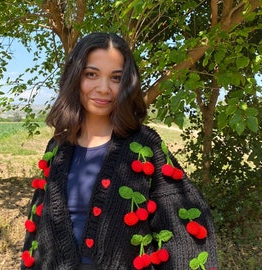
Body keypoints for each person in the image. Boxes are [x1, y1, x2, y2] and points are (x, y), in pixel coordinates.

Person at [21, 32, 218, 270]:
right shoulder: (57, 148)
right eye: (91, 74)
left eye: (116, 78)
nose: (103, 88)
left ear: (126, 84)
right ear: (75, 78)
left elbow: (183, 225)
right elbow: (37, 228)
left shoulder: (145, 147)